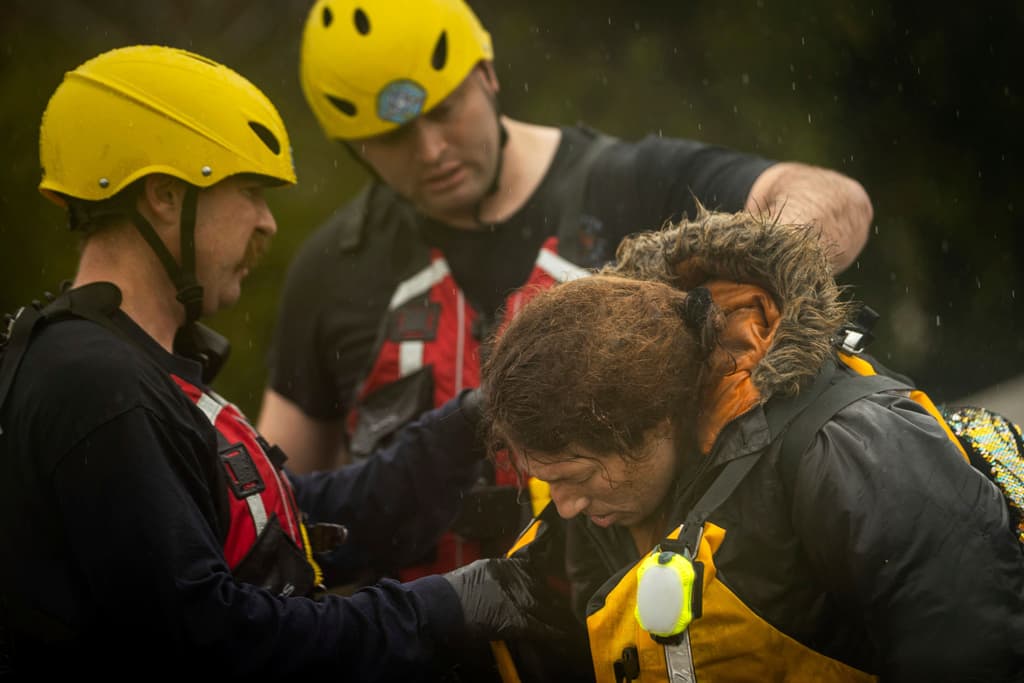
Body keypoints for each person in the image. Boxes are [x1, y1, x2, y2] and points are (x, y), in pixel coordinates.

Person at [259, 0, 876, 583]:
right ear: (353, 148)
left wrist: (747, 275)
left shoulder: (632, 186)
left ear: (487, 74)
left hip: (646, 621)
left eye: (444, 110)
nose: (432, 149)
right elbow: (270, 509)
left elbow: (838, 200)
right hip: (423, 631)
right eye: (392, 136)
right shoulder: (330, 272)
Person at [0, 45, 559, 678]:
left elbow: (287, 525)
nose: (267, 223)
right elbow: (211, 638)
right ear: (165, 195)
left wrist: (472, 423)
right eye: (249, 191)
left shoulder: (124, 368)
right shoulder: (99, 388)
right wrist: (437, 611)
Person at [477, 209, 1024, 682]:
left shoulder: (852, 450)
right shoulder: (606, 497)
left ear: (657, 421)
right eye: (549, 481)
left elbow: (974, 647)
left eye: (577, 478)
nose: (564, 505)